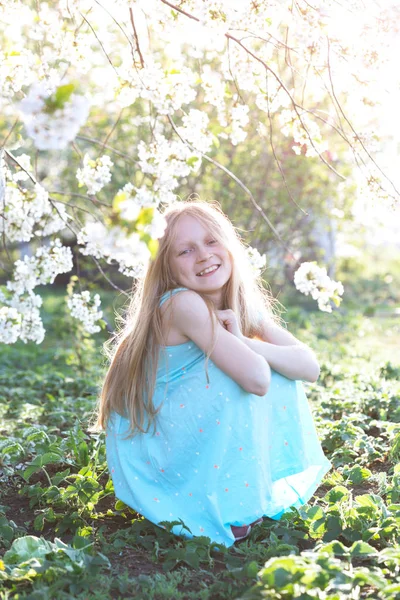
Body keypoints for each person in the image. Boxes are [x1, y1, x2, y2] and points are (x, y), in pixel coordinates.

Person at [93, 199, 332, 548]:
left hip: (190, 433)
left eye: (211, 241)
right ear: (168, 270)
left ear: (230, 247)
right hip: (161, 447)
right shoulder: (181, 303)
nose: (203, 255)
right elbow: (257, 379)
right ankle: (221, 500)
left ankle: (246, 492)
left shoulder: (240, 305)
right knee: (234, 378)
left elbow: (309, 367)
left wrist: (243, 341)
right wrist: (242, 346)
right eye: (185, 251)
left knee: (281, 368)